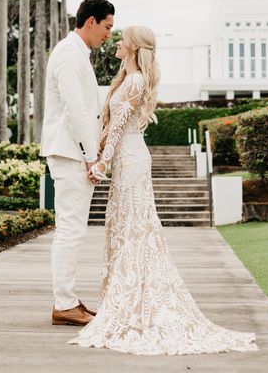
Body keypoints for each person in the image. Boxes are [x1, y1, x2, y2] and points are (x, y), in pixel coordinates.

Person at [69, 26, 257, 356]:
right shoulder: (128, 79)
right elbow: (111, 126)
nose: (117, 42)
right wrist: (99, 155)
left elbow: (116, 129)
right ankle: (129, 297)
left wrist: (102, 163)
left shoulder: (135, 81)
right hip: (128, 160)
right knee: (128, 230)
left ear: (133, 47)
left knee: (133, 231)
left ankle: (133, 304)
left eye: (122, 38)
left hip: (130, 160)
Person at [40, 0, 115, 327]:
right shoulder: (69, 54)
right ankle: (65, 303)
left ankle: (67, 299)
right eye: (108, 27)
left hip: (73, 152)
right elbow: (76, 110)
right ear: (91, 22)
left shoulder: (76, 54)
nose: (109, 34)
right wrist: (91, 157)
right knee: (70, 229)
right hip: (71, 153)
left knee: (72, 228)